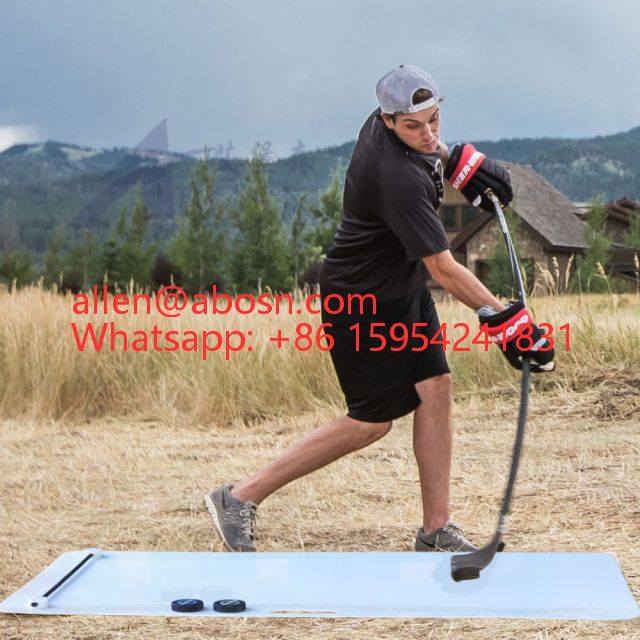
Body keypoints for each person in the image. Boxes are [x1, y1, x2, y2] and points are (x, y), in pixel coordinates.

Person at [204, 64, 554, 553]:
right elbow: (444, 268)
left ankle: (436, 529)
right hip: (360, 303)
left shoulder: (390, 125)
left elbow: (431, 153)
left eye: (435, 121)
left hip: (400, 289)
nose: (428, 134)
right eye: (414, 126)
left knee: (436, 387)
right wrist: (504, 319)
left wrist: (456, 162)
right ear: (388, 121)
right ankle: (239, 497)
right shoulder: (397, 178)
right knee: (371, 421)